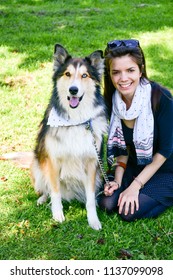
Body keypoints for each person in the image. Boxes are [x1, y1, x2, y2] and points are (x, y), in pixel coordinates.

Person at [98, 39, 173, 221]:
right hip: (135, 164)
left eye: (130, 70)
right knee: (107, 203)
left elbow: (165, 151)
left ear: (141, 70)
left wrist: (135, 186)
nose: (123, 79)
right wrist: (117, 180)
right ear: (109, 74)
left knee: (127, 213)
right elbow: (122, 147)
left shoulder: (160, 97)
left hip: (165, 168)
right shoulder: (113, 101)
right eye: (116, 72)